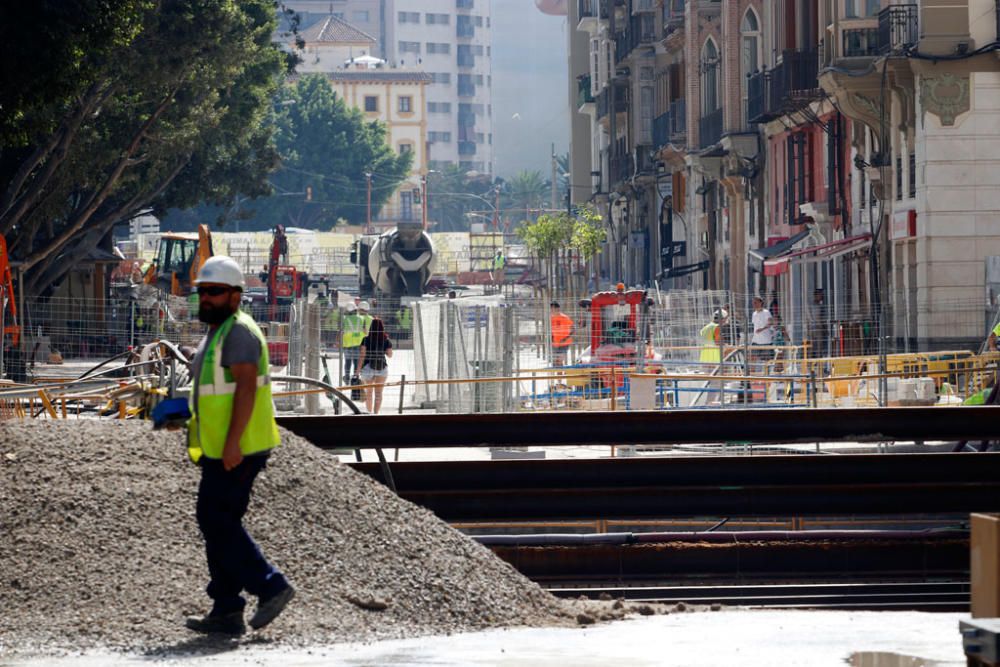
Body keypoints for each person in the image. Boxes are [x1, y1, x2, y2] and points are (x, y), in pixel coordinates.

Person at [184, 256, 294, 636]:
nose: (207, 298)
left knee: (216, 520)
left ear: (235, 296)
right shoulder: (219, 331)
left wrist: (232, 443)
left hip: (241, 447)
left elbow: (246, 389)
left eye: (214, 292)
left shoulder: (240, 332)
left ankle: (270, 586)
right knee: (216, 522)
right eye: (203, 291)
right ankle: (227, 608)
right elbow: (215, 391)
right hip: (220, 449)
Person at [359, 316, 393, 413]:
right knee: (378, 394)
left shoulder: (365, 339)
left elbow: (362, 355)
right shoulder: (386, 340)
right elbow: (390, 355)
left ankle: (369, 414)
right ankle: (376, 414)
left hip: (367, 367)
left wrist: (357, 371)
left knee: (369, 393)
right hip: (381, 367)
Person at [341, 301, 372, 384]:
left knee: (347, 362)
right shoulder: (363, 319)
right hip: (359, 344)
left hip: (347, 344)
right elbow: (365, 331)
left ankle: (347, 377)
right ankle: (356, 378)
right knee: (356, 362)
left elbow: (341, 332)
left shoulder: (344, 319)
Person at [750, 296, 774, 368]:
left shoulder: (766, 312)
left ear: (761, 303)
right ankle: (752, 377)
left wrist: (762, 329)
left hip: (766, 341)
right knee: (752, 359)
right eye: (753, 303)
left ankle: (767, 377)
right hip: (755, 341)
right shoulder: (754, 314)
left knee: (767, 361)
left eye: (756, 302)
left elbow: (770, 322)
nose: (754, 304)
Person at [550, 301, 574, 366]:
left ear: (558, 309)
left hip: (564, 343)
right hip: (555, 343)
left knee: (559, 360)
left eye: (553, 308)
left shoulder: (565, 318)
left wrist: (565, 338)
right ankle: (558, 375)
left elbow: (573, 329)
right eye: (551, 309)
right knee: (555, 362)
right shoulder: (551, 318)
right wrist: (551, 339)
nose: (552, 310)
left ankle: (560, 375)